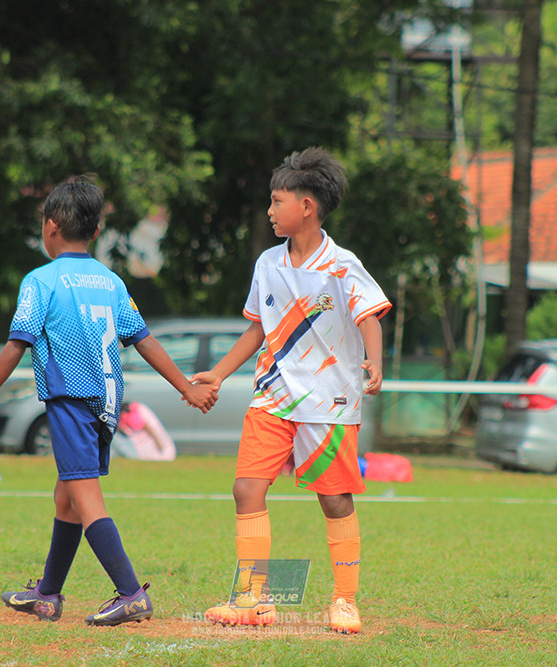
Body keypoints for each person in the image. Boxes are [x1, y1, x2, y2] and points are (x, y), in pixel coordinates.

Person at [0, 177, 217, 628]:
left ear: (49, 227)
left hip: (70, 399)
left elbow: (15, 344)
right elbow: (143, 339)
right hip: (107, 401)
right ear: (96, 232)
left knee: (85, 498)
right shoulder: (111, 281)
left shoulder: (40, 280)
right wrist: (186, 386)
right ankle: (47, 595)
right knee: (67, 497)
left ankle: (130, 593)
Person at [193, 147, 390, 634]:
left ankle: (345, 600)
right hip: (273, 395)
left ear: (306, 206)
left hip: (329, 400)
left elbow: (368, 315)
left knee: (335, 499)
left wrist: (375, 362)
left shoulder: (342, 264)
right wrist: (218, 373)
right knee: (246, 489)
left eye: (276, 201)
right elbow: (257, 330)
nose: (269, 210)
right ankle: (251, 598)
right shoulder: (267, 263)